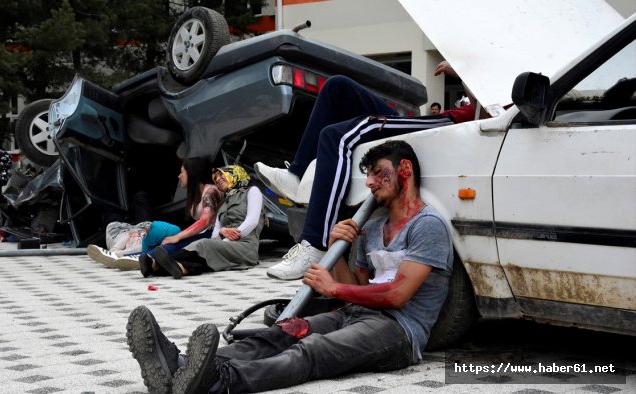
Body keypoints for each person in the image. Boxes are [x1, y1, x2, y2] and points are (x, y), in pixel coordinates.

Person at [125, 140, 453, 393]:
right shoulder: (373, 227)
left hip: (399, 331)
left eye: (377, 173)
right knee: (280, 333)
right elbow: (358, 291)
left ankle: (218, 381)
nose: (369, 183)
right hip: (355, 314)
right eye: (367, 175)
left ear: (405, 170)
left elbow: (397, 295)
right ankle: (179, 366)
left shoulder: (426, 226)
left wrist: (333, 286)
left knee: (313, 350)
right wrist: (337, 252)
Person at [254, 61, 472, 280]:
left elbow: (491, 105)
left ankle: (316, 244)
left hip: (450, 121)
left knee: (336, 136)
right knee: (337, 86)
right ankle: (296, 175)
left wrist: (464, 71)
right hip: (447, 116)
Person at [87, 157, 223, 271]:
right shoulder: (196, 194)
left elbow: (205, 221)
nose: (179, 176)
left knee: (174, 244)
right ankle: (123, 256)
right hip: (204, 233)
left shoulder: (210, 192)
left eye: (182, 172)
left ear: (192, 174)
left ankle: (137, 258)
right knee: (166, 241)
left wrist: (178, 236)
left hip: (212, 235)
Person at [140, 164, 267, 279]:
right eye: (216, 177)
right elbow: (215, 234)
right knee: (203, 260)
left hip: (245, 247)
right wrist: (222, 232)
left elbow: (252, 221)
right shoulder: (225, 202)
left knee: (204, 244)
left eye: (222, 174)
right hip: (225, 245)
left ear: (236, 173)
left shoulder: (252, 191)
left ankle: (156, 262)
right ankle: (172, 268)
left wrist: (229, 239)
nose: (217, 179)